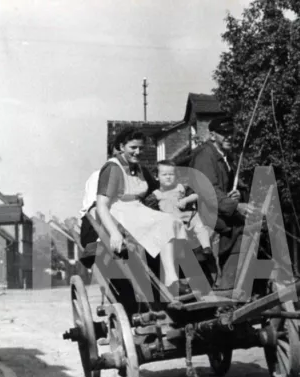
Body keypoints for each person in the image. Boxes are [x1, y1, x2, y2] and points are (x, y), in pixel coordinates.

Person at [93, 126, 190, 297]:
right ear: (122, 146)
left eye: (140, 148)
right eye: (133, 147)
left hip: (138, 210)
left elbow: (158, 190)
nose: (137, 152)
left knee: (175, 222)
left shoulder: (139, 169)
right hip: (119, 212)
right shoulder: (113, 168)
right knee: (165, 223)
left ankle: (174, 275)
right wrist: (114, 233)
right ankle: (171, 279)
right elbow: (101, 204)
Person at [190, 116, 255, 291]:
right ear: (212, 135)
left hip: (221, 210)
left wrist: (237, 195)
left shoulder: (226, 157)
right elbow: (208, 191)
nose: (228, 137)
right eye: (223, 133)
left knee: (260, 223)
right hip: (207, 213)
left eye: (230, 133)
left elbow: (237, 186)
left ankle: (246, 281)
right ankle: (228, 284)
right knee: (244, 230)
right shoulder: (205, 155)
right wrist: (236, 206)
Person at [144, 159, 215, 265]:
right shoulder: (156, 194)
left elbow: (196, 195)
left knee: (199, 225)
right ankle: (183, 255)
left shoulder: (181, 187)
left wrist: (185, 200)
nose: (168, 177)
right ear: (156, 177)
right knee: (178, 237)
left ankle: (206, 247)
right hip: (173, 222)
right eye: (164, 174)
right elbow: (148, 209)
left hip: (187, 216)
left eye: (171, 174)